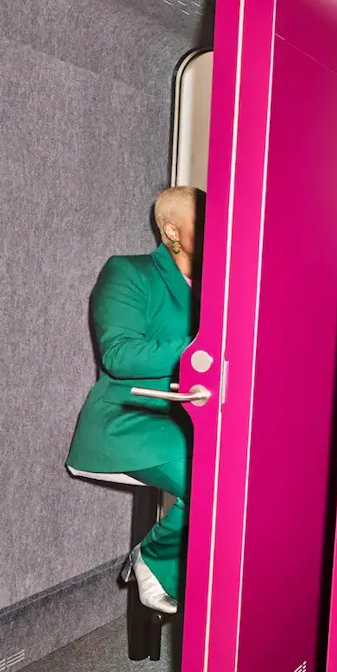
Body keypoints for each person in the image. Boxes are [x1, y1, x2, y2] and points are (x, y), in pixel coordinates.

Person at [67, 186, 202, 615]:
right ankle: (156, 559)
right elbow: (118, 354)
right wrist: (204, 346)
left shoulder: (222, 290)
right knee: (210, 472)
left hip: (195, 417)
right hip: (129, 418)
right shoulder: (129, 272)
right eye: (206, 223)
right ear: (171, 231)